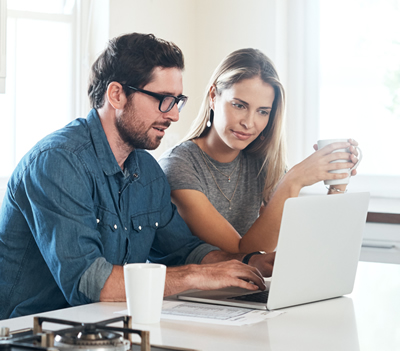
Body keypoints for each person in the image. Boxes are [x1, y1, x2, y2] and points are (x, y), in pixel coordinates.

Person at [0, 34, 275, 320]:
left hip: (104, 327)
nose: (174, 115)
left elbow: (185, 250)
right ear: (117, 94)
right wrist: (197, 276)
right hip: (29, 333)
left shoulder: (147, 172)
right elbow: (90, 282)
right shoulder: (57, 162)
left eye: (177, 101)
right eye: (163, 100)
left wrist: (254, 262)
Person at [158, 48, 359, 254]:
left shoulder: (261, 163)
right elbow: (243, 253)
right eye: (239, 105)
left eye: (263, 112)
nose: (249, 123)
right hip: (195, 286)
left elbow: (300, 242)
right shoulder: (178, 165)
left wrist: (337, 182)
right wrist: (293, 180)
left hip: (247, 285)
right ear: (213, 96)